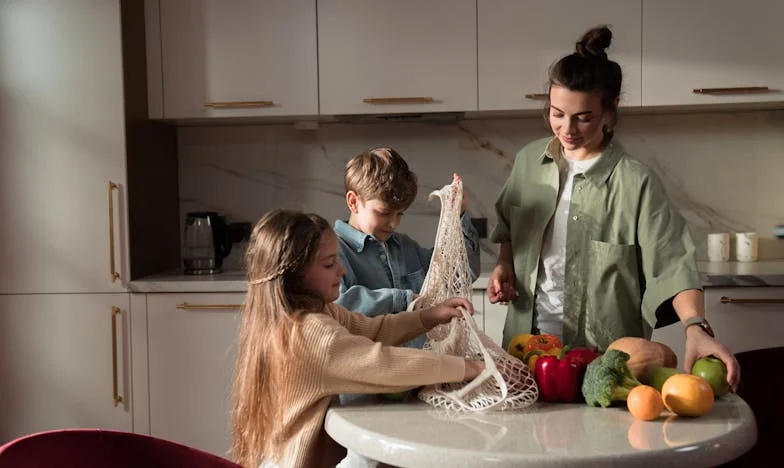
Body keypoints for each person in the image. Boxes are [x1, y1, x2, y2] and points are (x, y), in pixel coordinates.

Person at [487, 25, 740, 391]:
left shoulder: (636, 182)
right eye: (557, 114)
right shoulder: (529, 161)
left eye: (583, 117)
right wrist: (504, 263)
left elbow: (671, 264)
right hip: (527, 352)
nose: (566, 128)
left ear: (611, 109)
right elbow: (510, 225)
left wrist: (695, 328)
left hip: (606, 364)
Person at [230, 209, 484, 468]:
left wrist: (427, 317)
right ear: (294, 274)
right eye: (328, 264)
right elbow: (384, 365)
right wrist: (472, 368)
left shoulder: (305, 313)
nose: (340, 270)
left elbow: (369, 329)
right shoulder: (310, 332)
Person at [334, 146, 480, 349]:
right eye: (384, 213)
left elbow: (459, 276)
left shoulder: (405, 247)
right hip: (367, 376)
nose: (394, 224)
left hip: (419, 371)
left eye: (400, 214)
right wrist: (400, 299)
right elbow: (337, 305)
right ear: (353, 202)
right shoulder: (332, 250)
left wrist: (458, 215)